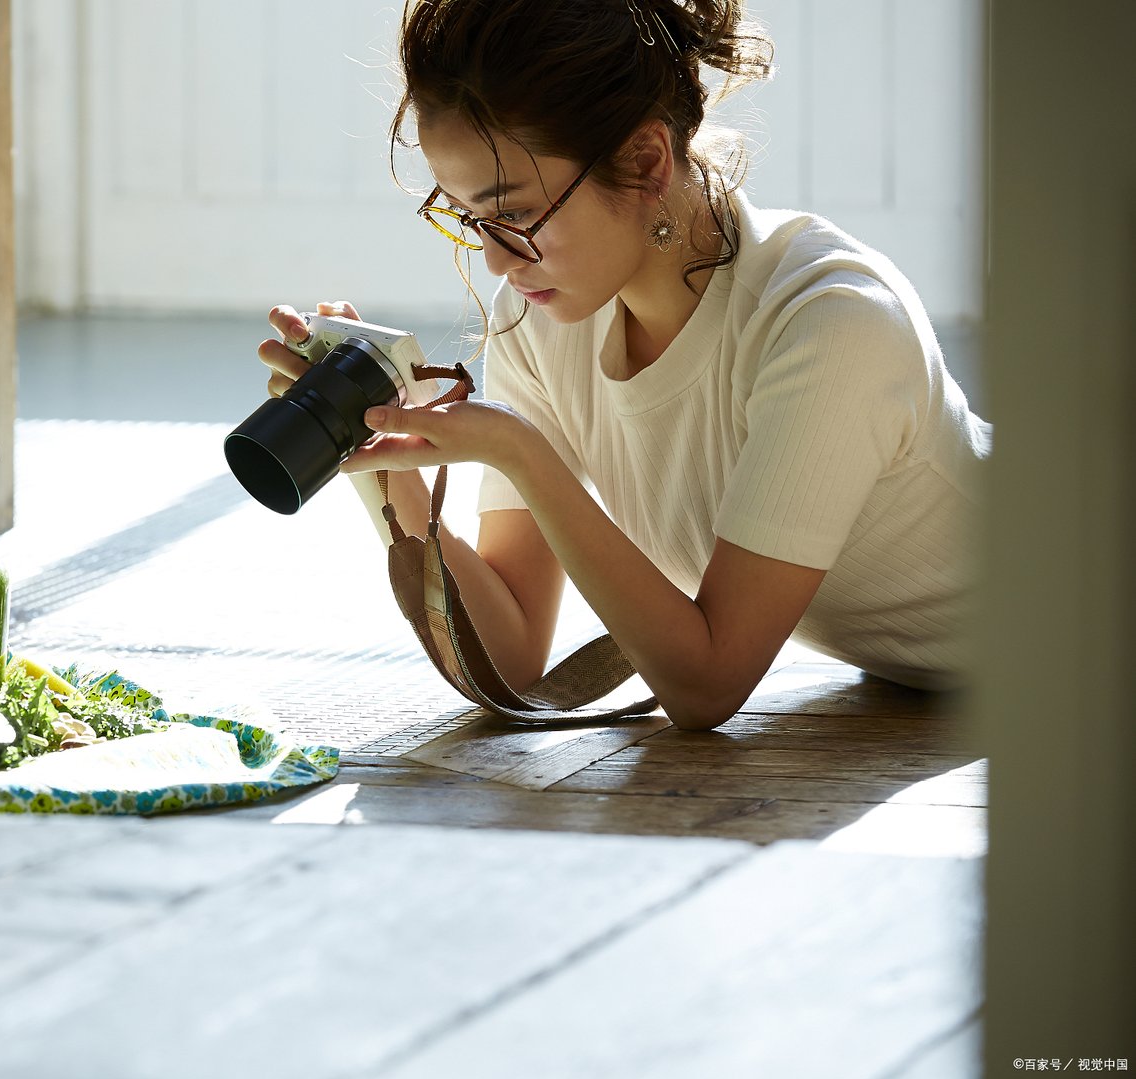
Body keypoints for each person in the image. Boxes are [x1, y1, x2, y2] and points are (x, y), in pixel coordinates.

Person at [256, 0, 990, 730]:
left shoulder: (830, 321)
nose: (497, 261)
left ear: (645, 163)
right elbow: (510, 657)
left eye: (516, 214)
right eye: (471, 219)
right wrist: (377, 446)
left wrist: (521, 453)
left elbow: (707, 686)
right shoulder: (546, 319)